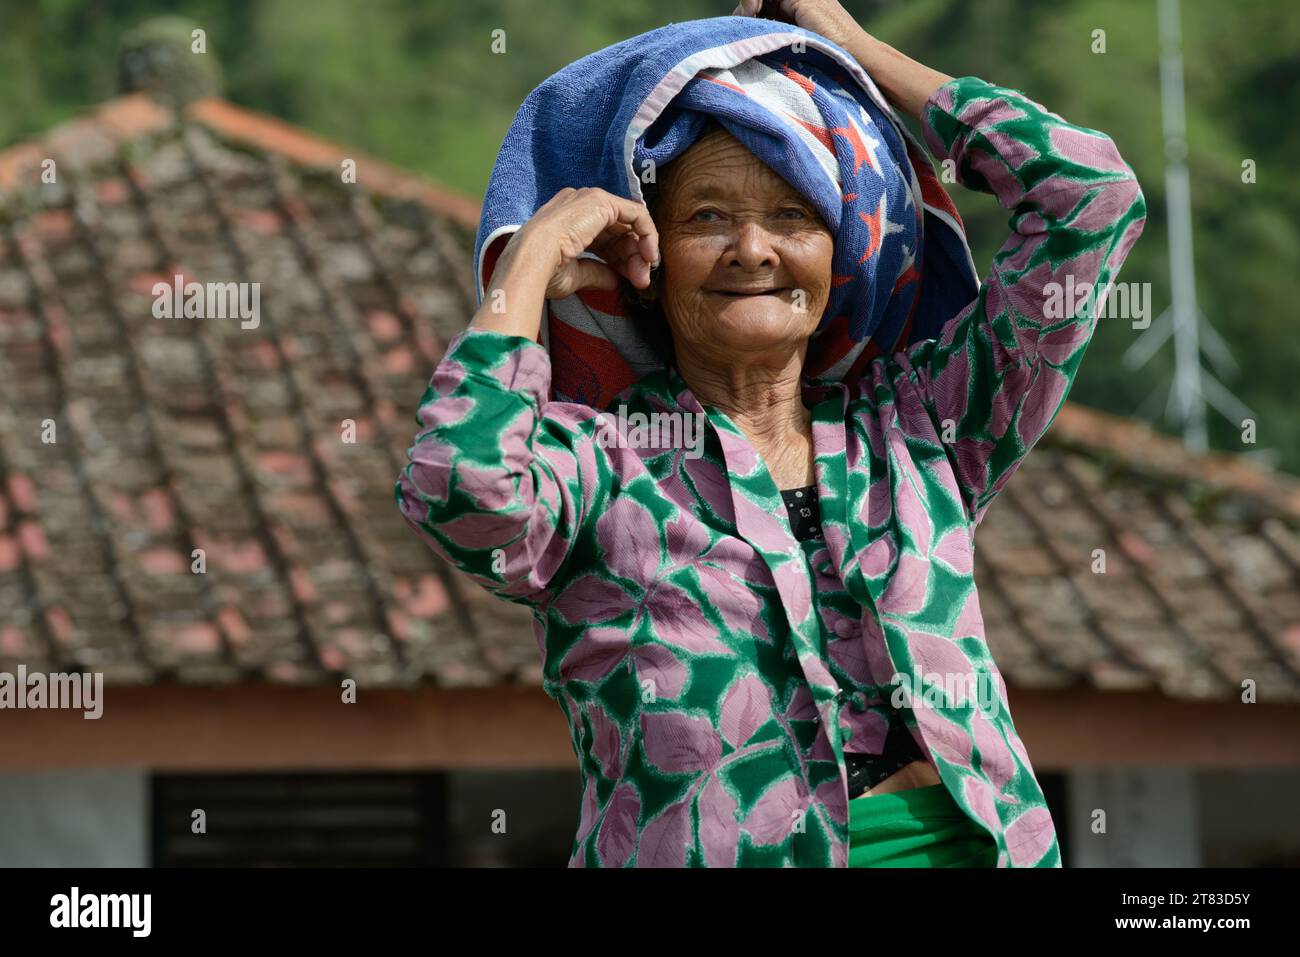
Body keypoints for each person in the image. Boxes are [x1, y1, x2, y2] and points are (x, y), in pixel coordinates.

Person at [396, 1, 1146, 867]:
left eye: (794, 216)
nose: (753, 248)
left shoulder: (922, 425)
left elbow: (1089, 201)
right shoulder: (596, 468)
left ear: (843, 253)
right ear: (650, 259)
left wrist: (852, 46)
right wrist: (530, 261)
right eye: (707, 216)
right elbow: (459, 489)